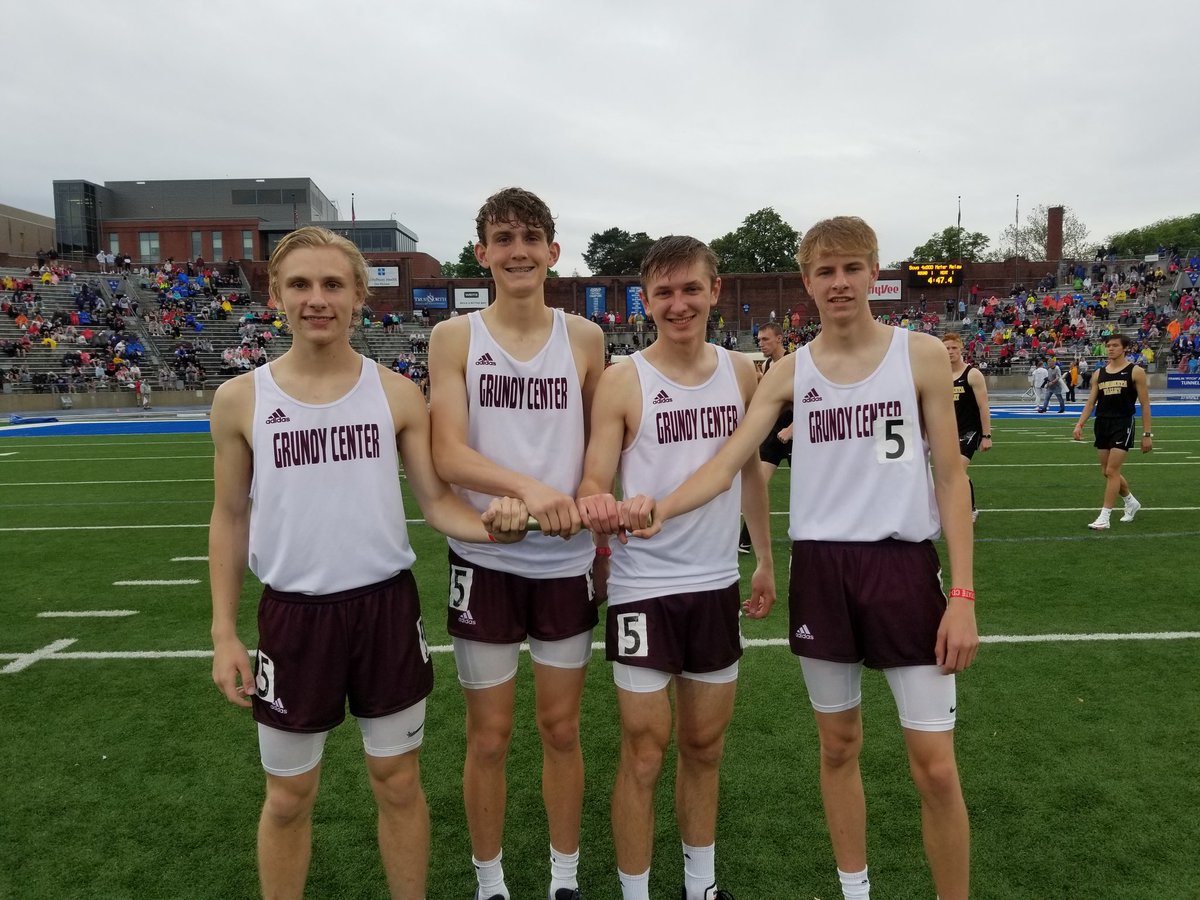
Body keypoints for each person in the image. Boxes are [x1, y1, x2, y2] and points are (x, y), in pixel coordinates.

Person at [618, 217, 977, 900]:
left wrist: (962, 597)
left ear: (876, 272)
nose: (838, 283)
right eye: (824, 271)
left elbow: (951, 478)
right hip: (822, 573)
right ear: (806, 281)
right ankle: (855, 890)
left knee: (934, 766)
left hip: (903, 570)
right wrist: (657, 508)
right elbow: (729, 465)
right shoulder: (788, 372)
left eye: (851, 268)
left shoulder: (923, 355)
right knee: (838, 749)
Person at [208, 226, 529, 900]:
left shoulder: (395, 394)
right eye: (300, 284)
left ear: (360, 295)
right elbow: (230, 515)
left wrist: (497, 525)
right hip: (294, 618)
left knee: (399, 783)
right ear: (275, 294)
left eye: (332, 284)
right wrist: (222, 633)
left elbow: (438, 504)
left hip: (385, 610)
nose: (316, 298)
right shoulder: (241, 399)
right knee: (289, 797)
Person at [577, 236, 775, 900]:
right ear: (647, 300)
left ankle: (701, 884)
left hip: (716, 583)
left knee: (705, 748)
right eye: (664, 292)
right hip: (644, 587)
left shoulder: (741, 372)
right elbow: (593, 481)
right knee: (642, 750)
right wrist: (603, 504)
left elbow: (749, 474)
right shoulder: (624, 379)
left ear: (715, 291)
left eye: (691, 288)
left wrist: (765, 560)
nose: (679, 303)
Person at [428, 187, 606, 900]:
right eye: (503, 239)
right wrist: (530, 492)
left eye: (531, 237)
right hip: (486, 558)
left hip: (564, 561)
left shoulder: (585, 338)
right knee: (490, 735)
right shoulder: (456, 337)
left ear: (554, 251)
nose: (519, 250)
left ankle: (564, 877)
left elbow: (600, 449)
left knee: (562, 728)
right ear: (482, 255)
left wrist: (586, 501)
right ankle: (490, 881)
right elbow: (447, 452)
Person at [1072, 333, 1153, 530]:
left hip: (1123, 423)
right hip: (1102, 423)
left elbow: (1145, 404)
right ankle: (1131, 502)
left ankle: (1104, 517)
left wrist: (1147, 434)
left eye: (1115, 345)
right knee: (1106, 471)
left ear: (1125, 348)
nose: (1110, 349)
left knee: (1111, 470)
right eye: (1108, 345)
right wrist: (1079, 424)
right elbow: (1091, 402)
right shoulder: (1099, 373)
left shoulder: (1136, 372)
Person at [737, 320, 793, 552]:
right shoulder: (769, 365)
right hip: (773, 435)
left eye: (765, 339)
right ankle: (746, 539)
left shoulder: (795, 364)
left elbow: (812, 400)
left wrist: (791, 429)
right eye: (759, 340)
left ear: (779, 339)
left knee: (803, 489)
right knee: (757, 482)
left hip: (794, 435)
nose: (761, 344)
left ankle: (805, 537)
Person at [942, 333, 991, 522]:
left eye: (954, 348)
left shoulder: (972, 374)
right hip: (947, 432)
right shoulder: (940, 374)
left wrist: (986, 435)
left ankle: (969, 510)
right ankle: (960, 507)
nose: (950, 352)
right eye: (946, 348)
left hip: (969, 431)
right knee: (950, 473)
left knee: (957, 470)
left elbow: (983, 406)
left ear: (961, 349)